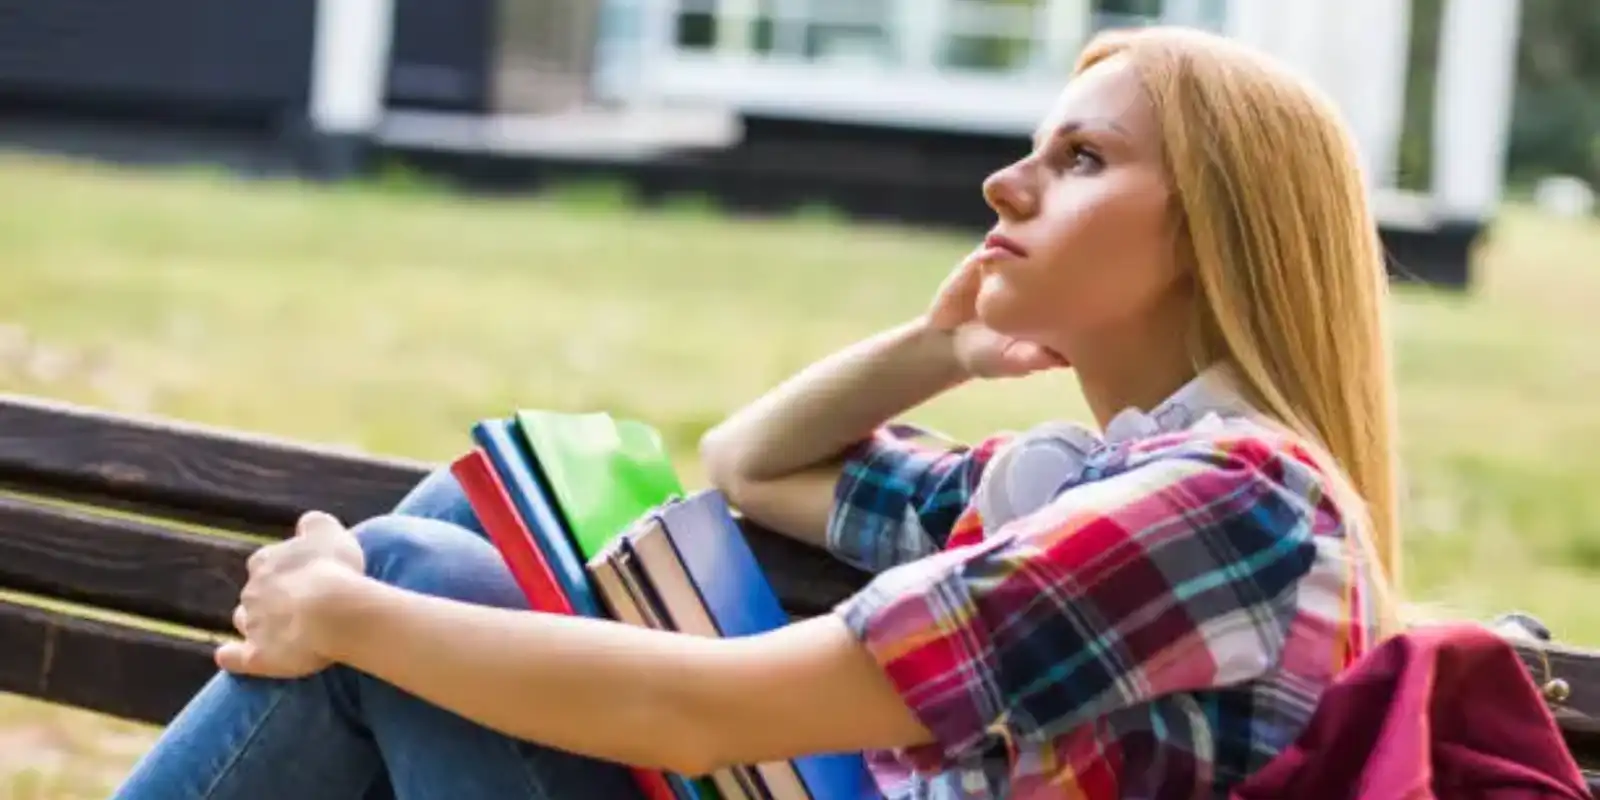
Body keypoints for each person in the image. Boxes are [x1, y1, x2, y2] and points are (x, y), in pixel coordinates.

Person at [112, 24, 1402, 800]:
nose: (1005, 184)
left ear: (1216, 239)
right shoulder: (1106, 480)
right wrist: (940, 345)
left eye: (1080, 159)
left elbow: (712, 713)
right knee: (463, 524)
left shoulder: (1224, 506)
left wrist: (346, 609)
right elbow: (750, 464)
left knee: (400, 576)